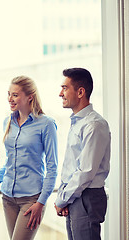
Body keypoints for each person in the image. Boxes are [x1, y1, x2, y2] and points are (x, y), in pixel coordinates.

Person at [0, 76, 58, 240]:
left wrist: (41, 202)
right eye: (9, 94)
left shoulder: (46, 124)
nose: (10, 99)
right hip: (8, 197)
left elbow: (52, 169)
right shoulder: (8, 122)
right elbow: (10, 163)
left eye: (15, 95)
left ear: (30, 96)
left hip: (31, 200)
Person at [55, 68, 111, 240]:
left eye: (64, 88)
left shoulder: (94, 125)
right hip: (75, 195)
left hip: (86, 195)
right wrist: (63, 197)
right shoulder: (78, 122)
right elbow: (71, 166)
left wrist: (62, 199)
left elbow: (85, 172)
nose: (60, 94)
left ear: (80, 92)